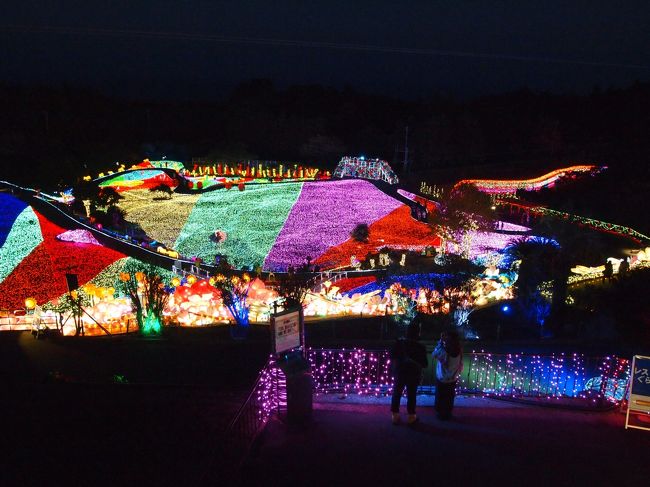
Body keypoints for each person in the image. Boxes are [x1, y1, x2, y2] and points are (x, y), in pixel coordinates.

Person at [390, 322, 428, 425]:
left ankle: (395, 415)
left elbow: (392, 356)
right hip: (413, 374)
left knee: (397, 393)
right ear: (418, 332)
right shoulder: (420, 347)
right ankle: (411, 416)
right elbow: (425, 364)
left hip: (400, 372)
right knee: (411, 395)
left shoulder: (399, 343)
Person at [432, 331, 463, 420]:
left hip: (442, 378)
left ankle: (440, 413)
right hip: (453, 378)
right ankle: (448, 413)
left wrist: (440, 342)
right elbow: (460, 364)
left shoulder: (443, 351)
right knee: (449, 396)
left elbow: (434, 354)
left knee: (440, 396)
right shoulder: (459, 350)